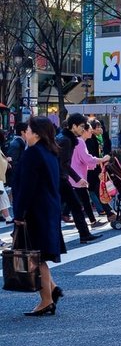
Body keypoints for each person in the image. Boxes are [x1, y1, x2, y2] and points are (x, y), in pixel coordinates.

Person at [12, 117, 67, 316]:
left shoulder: (33, 154)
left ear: (36, 133)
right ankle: (52, 289)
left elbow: (26, 188)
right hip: (48, 209)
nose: (24, 132)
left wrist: (19, 214)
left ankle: (46, 301)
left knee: (36, 257)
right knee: (40, 255)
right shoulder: (50, 152)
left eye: (27, 129)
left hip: (35, 211)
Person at [56, 114, 100, 244]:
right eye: (81, 126)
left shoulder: (64, 137)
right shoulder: (66, 140)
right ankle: (84, 234)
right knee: (66, 207)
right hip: (60, 178)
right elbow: (63, 163)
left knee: (74, 206)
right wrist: (77, 178)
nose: (83, 129)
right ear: (73, 126)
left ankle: (84, 234)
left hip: (60, 177)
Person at [71, 118, 110, 229]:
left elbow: (86, 160)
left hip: (78, 175)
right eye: (90, 130)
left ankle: (91, 223)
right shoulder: (80, 142)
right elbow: (87, 159)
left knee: (83, 200)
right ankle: (85, 227)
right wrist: (102, 160)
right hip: (77, 176)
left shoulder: (79, 141)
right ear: (84, 130)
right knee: (78, 201)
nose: (92, 131)